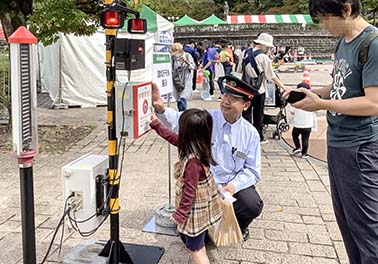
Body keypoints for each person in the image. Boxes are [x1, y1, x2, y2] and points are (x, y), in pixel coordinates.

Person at [284, 1, 378, 263]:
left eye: (325, 18)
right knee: (347, 223)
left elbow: (374, 103)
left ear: (346, 8)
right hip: (338, 144)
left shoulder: (372, 43)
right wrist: (312, 94)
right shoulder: (343, 42)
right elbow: (341, 86)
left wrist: (322, 104)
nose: (323, 26)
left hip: (360, 148)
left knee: (367, 228)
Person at [151, 75, 264, 241]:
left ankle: (238, 226)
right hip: (204, 185)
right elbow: (179, 120)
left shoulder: (250, 134)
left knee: (251, 204)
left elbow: (253, 171)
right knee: (191, 238)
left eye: (233, 99)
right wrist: (161, 109)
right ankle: (210, 226)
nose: (226, 101)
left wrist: (232, 187)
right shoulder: (207, 119)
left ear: (245, 105)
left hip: (230, 187)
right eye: (225, 95)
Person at [150, 109, 222, 264]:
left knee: (195, 250)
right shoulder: (199, 146)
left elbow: (190, 192)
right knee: (199, 245)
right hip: (203, 209)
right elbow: (170, 136)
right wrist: (156, 124)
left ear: (187, 134)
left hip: (194, 211)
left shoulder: (192, 163)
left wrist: (180, 214)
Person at [238, 33, 288, 143]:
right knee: (258, 115)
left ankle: (244, 135)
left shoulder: (244, 53)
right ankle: (258, 137)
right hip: (259, 90)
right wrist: (283, 87)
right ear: (264, 45)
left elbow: (239, 70)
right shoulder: (264, 58)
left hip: (245, 89)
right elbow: (271, 76)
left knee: (245, 113)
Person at [289, 83, 314, 159]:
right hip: (308, 125)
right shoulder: (311, 101)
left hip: (298, 124)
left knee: (295, 135)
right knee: (305, 139)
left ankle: (297, 147)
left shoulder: (296, 102)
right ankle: (304, 153)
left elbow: (292, 112)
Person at [171, 42, 196, 111]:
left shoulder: (187, 56)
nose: (174, 53)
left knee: (183, 97)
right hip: (176, 80)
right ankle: (181, 112)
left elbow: (193, 67)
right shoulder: (173, 58)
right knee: (178, 98)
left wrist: (186, 62)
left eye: (175, 51)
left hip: (186, 80)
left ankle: (183, 113)